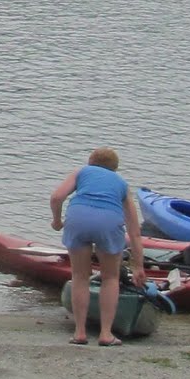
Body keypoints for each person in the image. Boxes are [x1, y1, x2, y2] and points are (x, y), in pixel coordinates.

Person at [50, 148, 146, 346]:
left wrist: (57, 221)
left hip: (78, 218)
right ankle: (105, 334)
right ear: (115, 168)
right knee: (110, 278)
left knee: (79, 276)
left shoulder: (82, 172)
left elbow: (57, 197)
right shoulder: (121, 184)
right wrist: (138, 266)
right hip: (109, 223)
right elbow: (135, 231)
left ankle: (80, 333)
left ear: (90, 162)